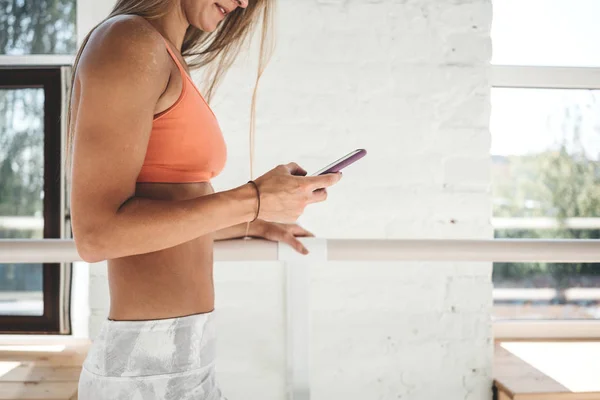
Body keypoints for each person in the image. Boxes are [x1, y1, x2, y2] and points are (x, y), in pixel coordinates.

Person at [68, 1, 341, 398]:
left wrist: (253, 222)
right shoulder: (130, 41)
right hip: (146, 366)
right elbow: (96, 236)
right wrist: (253, 200)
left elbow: (160, 222)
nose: (244, 3)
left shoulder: (159, 51)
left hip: (186, 356)